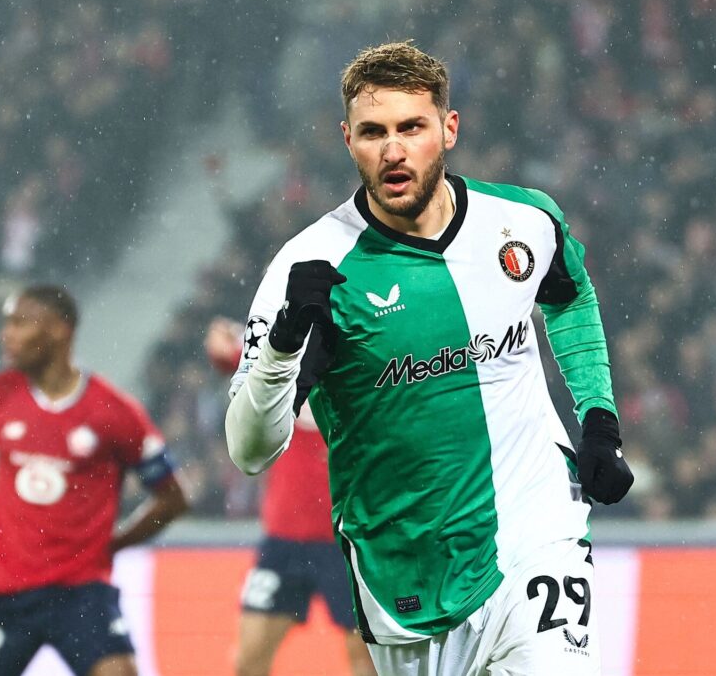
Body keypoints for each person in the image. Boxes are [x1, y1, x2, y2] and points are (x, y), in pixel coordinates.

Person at [225, 42, 633, 675]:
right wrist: (283, 342)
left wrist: (599, 422)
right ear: (347, 139)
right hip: (407, 578)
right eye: (373, 132)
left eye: (411, 127)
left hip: (537, 536)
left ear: (448, 128)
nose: (394, 150)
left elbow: (570, 298)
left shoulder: (522, 221)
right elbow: (250, 449)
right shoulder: (309, 270)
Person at [0, 285, 189, 676]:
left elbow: (172, 498)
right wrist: (1, 513)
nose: (7, 334)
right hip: (2, 591)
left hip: (80, 593)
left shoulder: (112, 412)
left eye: (19, 323)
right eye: (7, 323)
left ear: (58, 330)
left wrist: (115, 544)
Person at [204, 317, 375, 676]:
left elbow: (228, 350)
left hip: (345, 540)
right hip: (285, 540)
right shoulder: (284, 351)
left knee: (366, 659)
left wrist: (230, 341)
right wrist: (229, 338)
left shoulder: (356, 353)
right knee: (249, 661)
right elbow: (224, 351)